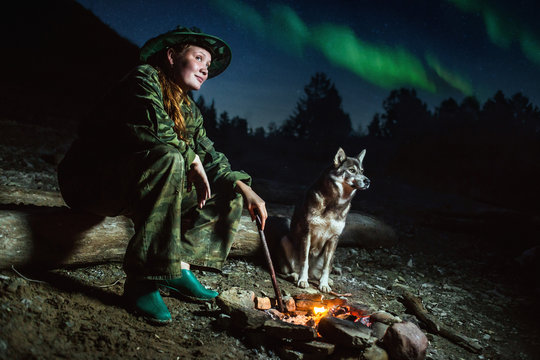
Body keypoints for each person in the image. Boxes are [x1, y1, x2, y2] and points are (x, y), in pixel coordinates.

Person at [57, 26, 268, 324]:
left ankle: (177, 269)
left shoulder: (189, 111)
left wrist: (245, 188)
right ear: (171, 56)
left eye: (208, 65)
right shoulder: (143, 79)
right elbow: (153, 129)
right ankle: (143, 280)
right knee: (170, 157)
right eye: (198, 58)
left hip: (137, 184)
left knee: (227, 184)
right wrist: (191, 158)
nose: (205, 69)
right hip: (92, 181)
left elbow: (210, 156)